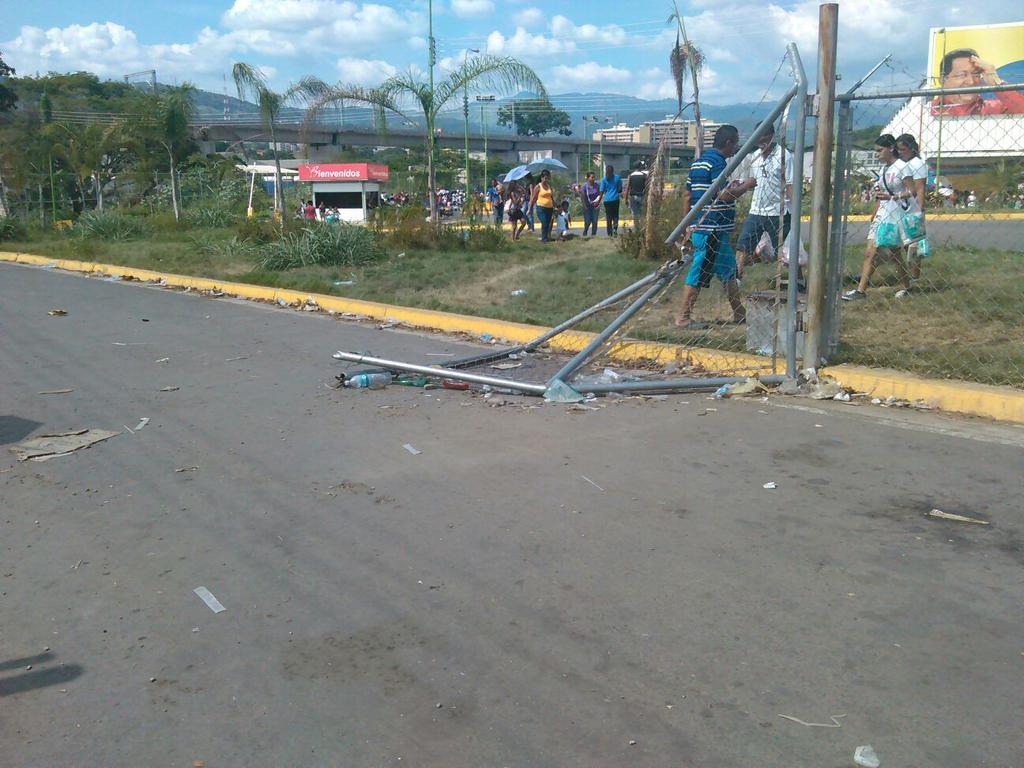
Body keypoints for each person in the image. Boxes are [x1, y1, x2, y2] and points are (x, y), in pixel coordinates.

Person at [675, 124, 754, 329]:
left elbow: (687, 195)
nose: (736, 148)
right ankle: (683, 316)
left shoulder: (698, 163)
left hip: (705, 228)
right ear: (728, 143)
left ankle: (739, 313)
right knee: (699, 271)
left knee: (729, 271)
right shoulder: (718, 164)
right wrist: (747, 185)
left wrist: (687, 225)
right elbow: (724, 195)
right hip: (711, 229)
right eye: (735, 144)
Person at [842, 134, 920, 301]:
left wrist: (893, 197)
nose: (877, 154)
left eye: (879, 150)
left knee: (891, 253)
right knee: (872, 252)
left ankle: (904, 285)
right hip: (883, 214)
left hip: (896, 215)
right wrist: (876, 209)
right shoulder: (884, 169)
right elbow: (881, 194)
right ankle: (861, 290)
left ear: (890, 148)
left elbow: (912, 191)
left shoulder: (902, 167)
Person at [734, 122, 793, 278]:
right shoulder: (756, 156)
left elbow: (790, 185)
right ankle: (737, 279)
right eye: (757, 137)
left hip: (777, 211)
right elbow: (753, 180)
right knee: (743, 245)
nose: (760, 140)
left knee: (786, 251)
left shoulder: (784, 156)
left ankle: (797, 281)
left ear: (771, 135)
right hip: (757, 210)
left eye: (763, 136)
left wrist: (794, 210)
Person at [931, 49, 1024, 116]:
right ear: (943, 80)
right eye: (962, 75)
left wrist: (995, 82)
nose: (971, 82)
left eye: (976, 74)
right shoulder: (927, 112)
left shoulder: (993, 109)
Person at [896, 133, 928, 284]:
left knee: (913, 244)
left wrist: (919, 211)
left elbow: (920, 189)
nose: (900, 152)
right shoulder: (901, 164)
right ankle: (906, 275)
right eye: (898, 150)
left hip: (913, 208)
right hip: (901, 207)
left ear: (911, 148)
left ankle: (915, 277)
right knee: (903, 244)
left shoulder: (917, 164)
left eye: (903, 149)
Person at [529, 170, 557, 243]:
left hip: (549, 207)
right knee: (544, 222)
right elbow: (533, 198)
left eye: (547, 177)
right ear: (541, 178)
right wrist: (529, 209)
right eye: (545, 177)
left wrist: (555, 205)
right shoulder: (538, 186)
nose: (546, 179)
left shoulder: (549, 186)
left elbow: (551, 197)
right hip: (541, 207)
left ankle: (546, 237)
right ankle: (544, 239)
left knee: (547, 223)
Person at [599, 164, 622, 237]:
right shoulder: (617, 178)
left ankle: (609, 232)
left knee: (608, 217)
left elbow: (601, 191)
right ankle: (615, 229)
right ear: (613, 171)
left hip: (607, 200)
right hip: (615, 199)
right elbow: (620, 189)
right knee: (615, 215)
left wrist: (599, 200)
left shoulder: (604, 179)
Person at [579, 172, 601, 236]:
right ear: (588, 178)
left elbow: (600, 194)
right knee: (588, 221)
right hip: (587, 206)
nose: (593, 178)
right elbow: (582, 196)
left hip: (595, 206)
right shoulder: (584, 186)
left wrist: (598, 202)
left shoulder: (597, 185)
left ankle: (594, 235)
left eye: (594, 177)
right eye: (592, 177)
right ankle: (585, 231)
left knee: (594, 221)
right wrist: (584, 205)